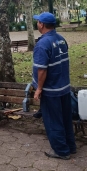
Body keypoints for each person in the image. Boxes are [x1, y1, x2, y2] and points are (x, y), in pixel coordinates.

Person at [32, 12, 76, 160]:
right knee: (65, 119)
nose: (37, 24)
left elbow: (42, 69)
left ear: (42, 25)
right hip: (64, 87)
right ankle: (71, 146)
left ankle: (61, 151)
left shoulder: (42, 44)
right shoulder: (61, 40)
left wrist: (38, 89)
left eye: (38, 21)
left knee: (53, 121)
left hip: (51, 90)